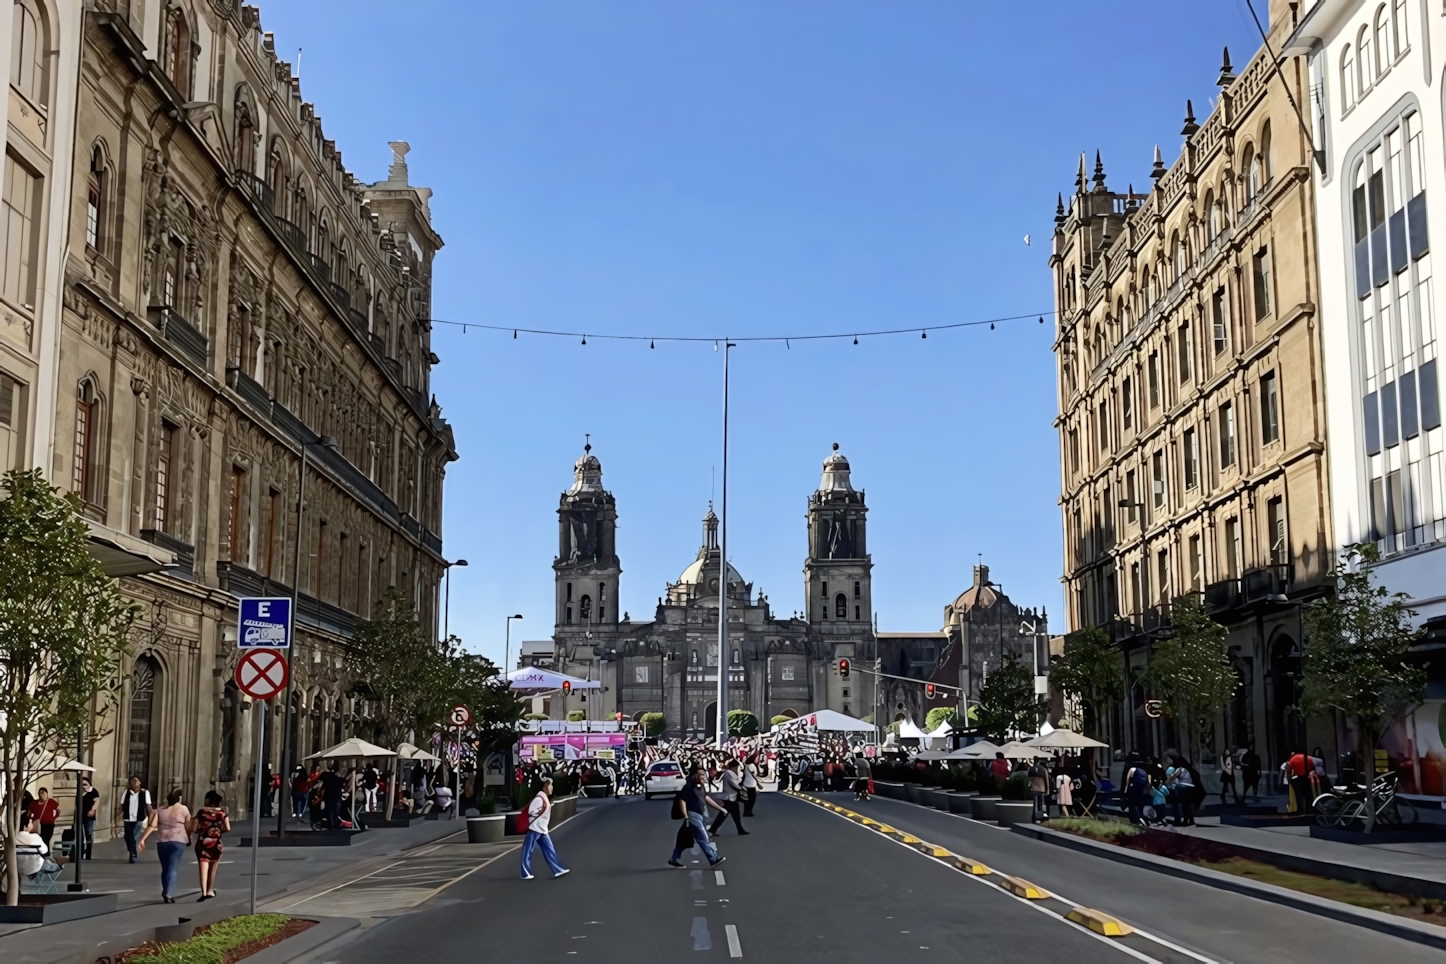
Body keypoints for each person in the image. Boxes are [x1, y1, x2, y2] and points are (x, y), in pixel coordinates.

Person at [138, 788, 191, 903]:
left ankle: (166, 891)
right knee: (172, 868)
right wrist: (189, 838)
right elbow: (188, 826)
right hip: (178, 840)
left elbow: (152, 826)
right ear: (179, 798)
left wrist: (142, 839)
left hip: (162, 842)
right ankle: (168, 893)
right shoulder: (183, 809)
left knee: (165, 868)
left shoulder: (160, 810)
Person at [669, 767, 726, 869]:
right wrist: (686, 816)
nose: (704, 777)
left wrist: (720, 809)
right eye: (701, 774)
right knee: (703, 838)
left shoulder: (701, 786)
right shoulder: (689, 786)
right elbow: (682, 800)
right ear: (695, 776)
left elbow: (706, 797)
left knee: (684, 839)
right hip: (692, 815)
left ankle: (674, 858)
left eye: (704, 775)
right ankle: (713, 859)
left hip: (699, 815)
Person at [519, 777, 569, 879]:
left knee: (549, 850)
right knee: (528, 850)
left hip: (542, 829)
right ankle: (525, 873)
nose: (552, 787)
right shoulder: (539, 799)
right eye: (550, 785)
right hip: (535, 828)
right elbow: (531, 812)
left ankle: (557, 870)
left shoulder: (543, 798)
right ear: (545, 787)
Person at [189, 790, 230, 901]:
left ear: (207, 800)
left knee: (203, 867)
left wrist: (202, 831)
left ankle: (204, 892)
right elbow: (228, 828)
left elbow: (194, 828)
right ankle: (210, 890)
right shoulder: (222, 813)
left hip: (202, 843)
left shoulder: (201, 812)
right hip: (216, 844)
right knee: (213, 869)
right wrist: (218, 832)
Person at [14, 815, 62, 881]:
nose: (32, 825)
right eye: (30, 823)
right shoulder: (35, 837)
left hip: (15, 865)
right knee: (47, 860)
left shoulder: (14, 837)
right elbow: (45, 850)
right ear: (25, 827)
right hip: (34, 867)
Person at [708, 760, 749, 836]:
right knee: (728, 815)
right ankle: (740, 829)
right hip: (729, 797)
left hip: (731, 797)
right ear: (734, 766)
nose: (737, 769)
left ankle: (713, 829)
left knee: (728, 814)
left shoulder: (730, 773)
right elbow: (733, 784)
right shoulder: (728, 773)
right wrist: (741, 789)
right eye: (736, 767)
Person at [119, 777, 153, 863]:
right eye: (132, 782)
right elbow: (121, 805)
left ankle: (132, 854)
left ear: (139, 784)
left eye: (136, 782)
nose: (134, 784)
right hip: (128, 819)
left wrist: (152, 817)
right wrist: (117, 815)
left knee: (133, 837)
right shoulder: (126, 792)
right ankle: (132, 851)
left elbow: (148, 806)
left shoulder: (145, 793)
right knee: (127, 837)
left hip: (139, 819)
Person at [1285, 748, 1313, 814]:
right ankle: (1309, 810)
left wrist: (1289, 779)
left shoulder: (1292, 759)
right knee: (1308, 795)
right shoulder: (1308, 758)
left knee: (1299, 795)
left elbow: (1288, 771)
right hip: (1307, 777)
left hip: (1297, 778)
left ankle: (1300, 810)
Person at [319, 765, 345, 829]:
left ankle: (331, 823)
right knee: (335, 811)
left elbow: (323, 787)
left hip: (329, 797)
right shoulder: (337, 779)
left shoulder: (327, 778)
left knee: (330, 810)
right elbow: (343, 783)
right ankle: (334, 823)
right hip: (336, 797)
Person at [81, 779, 99, 859]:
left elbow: (97, 801)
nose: (84, 785)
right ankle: (80, 853)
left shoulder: (93, 791)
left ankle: (88, 854)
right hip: (79, 816)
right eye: (82, 784)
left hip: (89, 817)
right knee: (80, 836)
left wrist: (93, 809)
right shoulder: (80, 791)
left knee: (88, 835)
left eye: (85, 784)